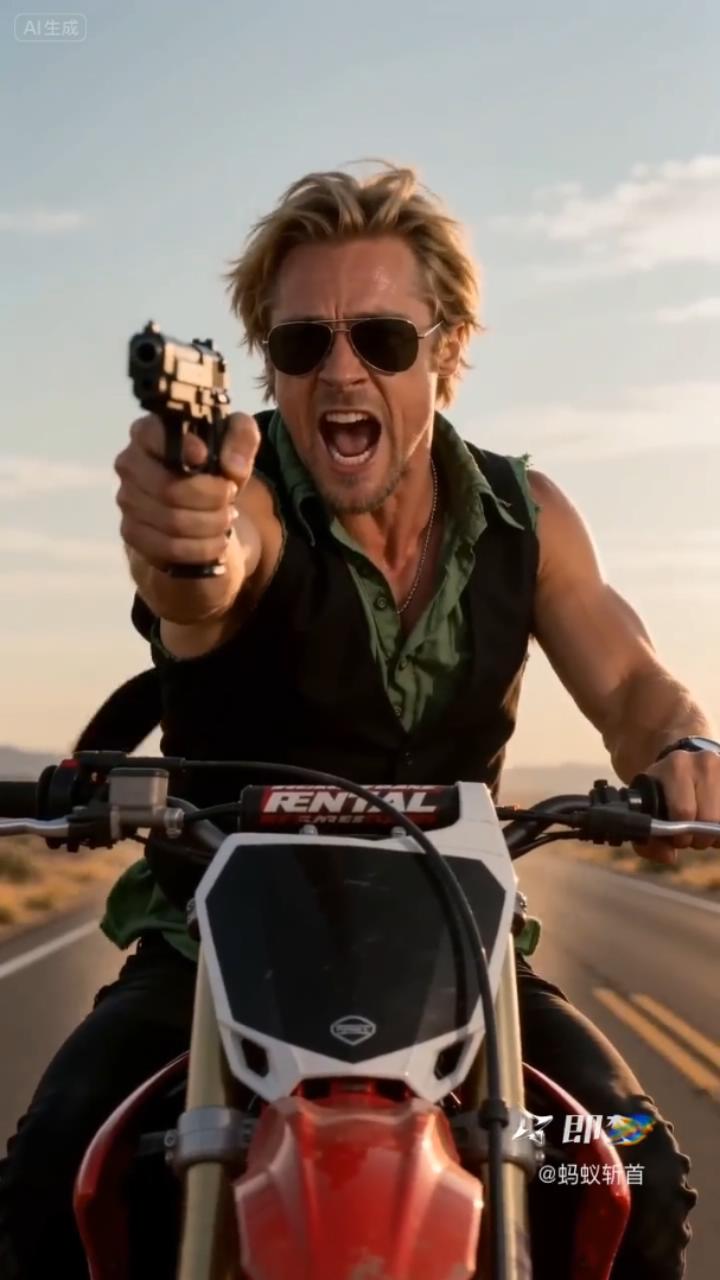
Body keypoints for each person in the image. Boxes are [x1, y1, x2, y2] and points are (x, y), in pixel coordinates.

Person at [1, 163, 717, 1279]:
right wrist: (184, 540)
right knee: (55, 1170)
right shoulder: (242, 490)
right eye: (302, 345)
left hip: (459, 957)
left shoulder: (529, 517)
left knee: (631, 1168)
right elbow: (210, 574)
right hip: (216, 951)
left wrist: (684, 745)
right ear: (268, 366)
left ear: (447, 349)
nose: (341, 370)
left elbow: (631, 683)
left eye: (381, 338)